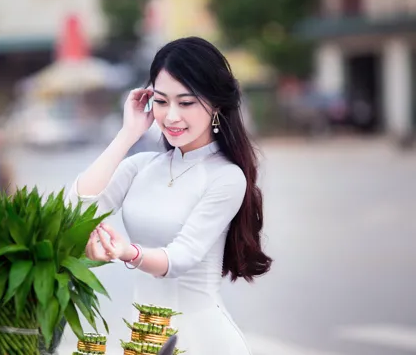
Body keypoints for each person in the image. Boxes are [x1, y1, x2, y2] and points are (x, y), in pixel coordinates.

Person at [67, 37, 272, 354]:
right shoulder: (141, 166)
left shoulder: (227, 177)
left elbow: (180, 258)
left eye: (186, 103)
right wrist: (127, 134)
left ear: (215, 104)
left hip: (203, 341)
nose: (171, 116)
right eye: (161, 102)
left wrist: (127, 252)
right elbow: (74, 211)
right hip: (144, 338)